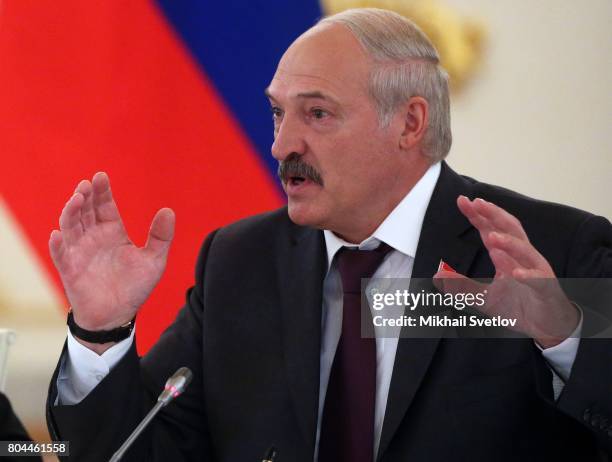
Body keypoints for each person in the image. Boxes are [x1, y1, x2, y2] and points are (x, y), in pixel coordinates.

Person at [46, 8, 611, 462]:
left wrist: (566, 338)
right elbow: (134, 452)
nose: (281, 146)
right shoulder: (238, 263)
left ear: (410, 124)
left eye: (316, 114)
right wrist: (101, 330)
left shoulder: (555, 251)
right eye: (277, 114)